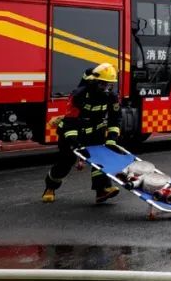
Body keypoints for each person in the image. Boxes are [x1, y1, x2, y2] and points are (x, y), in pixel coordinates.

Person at [41, 62, 122, 204]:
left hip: (96, 131)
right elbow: (71, 122)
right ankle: (50, 187)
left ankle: (102, 190)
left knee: (101, 159)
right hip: (74, 132)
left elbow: (115, 119)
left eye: (110, 85)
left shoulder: (111, 97)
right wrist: (77, 144)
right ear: (95, 82)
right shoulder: (80, 95)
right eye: (103, 84)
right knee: (66, 162)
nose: (107, 88)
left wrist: (111, 139)